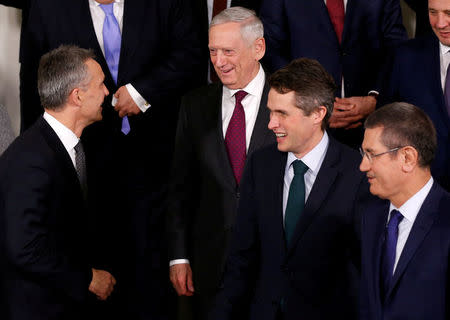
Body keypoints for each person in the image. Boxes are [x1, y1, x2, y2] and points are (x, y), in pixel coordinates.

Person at [20, 1, 204, 318]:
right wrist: (36, 158)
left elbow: (192, 54)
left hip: (157, 162)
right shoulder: (45, 7)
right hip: (85, 167)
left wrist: (144, 91)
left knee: (152, 279)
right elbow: (33, 85)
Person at [210, 58, 370, 320]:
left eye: (282, 114)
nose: (271, 123)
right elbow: (242, 257)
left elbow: (365, 268)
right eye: (270, 111)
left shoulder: (358, 173)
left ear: (318, 114)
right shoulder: (260, 165)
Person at [166, 7, 275, 320]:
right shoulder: (194, 105)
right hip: (210, 265)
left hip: (273, 266)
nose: (219, 62)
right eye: (213, 51)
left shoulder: (287, 101)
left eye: (229, 51)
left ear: (259, 48)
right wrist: (178, 257)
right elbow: (180, 188)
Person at [0, 45, 115, 320]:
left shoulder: (59, 146)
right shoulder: (31, 159)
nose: (107, 92)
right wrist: (86, 278)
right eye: (100, 84)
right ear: (77, 95)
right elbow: (24, 247)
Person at [259, 0, 407, 148]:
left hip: (371, 127)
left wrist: (375, 98)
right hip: (305, 125)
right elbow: (272, 52)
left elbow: (396, 50)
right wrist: (310, 104)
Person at [359, 102, 450, 320]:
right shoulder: (368, 216)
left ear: (407, 158)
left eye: (371, 154)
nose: (363, 166)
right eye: (363, 153)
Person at [380, 0, 450, 191]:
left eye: (449, 13)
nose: (440, 23)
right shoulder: (406, 57)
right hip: (421, 193)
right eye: (433, 12)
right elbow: (386, 126)